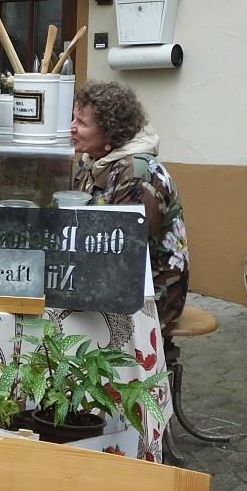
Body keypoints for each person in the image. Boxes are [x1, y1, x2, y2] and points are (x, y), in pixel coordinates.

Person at [70, 80, 189, 333]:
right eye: (74, 119)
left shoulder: (138, 174)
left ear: (110, 134)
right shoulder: (92, 161)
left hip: (151, 295)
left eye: (82, 123)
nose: (72, 128)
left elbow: (123, 254)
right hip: (105, 277)